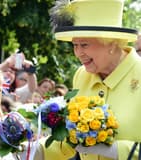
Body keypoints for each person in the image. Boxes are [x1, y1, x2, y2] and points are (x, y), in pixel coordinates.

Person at [50, 0, 141, 159]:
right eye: (75, 45)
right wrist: (36, 150)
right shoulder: (81, 75)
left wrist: (117, 151)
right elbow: (71, 143)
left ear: (111, 43)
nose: (78, 53)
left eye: (84, 45)